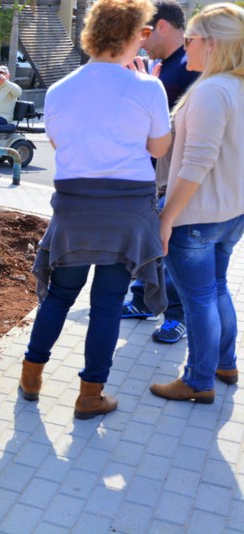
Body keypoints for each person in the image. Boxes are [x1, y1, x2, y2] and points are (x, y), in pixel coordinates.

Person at [18, 0, 171, 420]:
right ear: (132, 35)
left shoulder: (59, 89)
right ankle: (89, 397)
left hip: (75, 206)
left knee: (60, 295)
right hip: (126, 211)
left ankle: (31, 375)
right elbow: (159, 149)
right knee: (108, 303)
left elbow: (59, 145)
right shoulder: (147, 87)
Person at [150, 3, 244, 403]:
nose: (185, 46)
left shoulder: (211, 90)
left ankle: (198, 380)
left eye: (190, 38)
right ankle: (224, 364)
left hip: (196, 217)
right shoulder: (234, 86)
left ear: (212, 42)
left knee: (199, 299)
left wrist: (167, 217)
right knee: (216, 289)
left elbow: (197, 162)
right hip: (230, 212)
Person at [121, 0, 200, 344]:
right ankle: (142, 301)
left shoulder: (189, 65)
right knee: (150, 245)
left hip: (174, 179)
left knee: (173, 252)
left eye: (146, 31)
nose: (140, 39)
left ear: (163, 26)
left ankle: (176, 317)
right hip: (152, 176)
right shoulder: (162, 66)